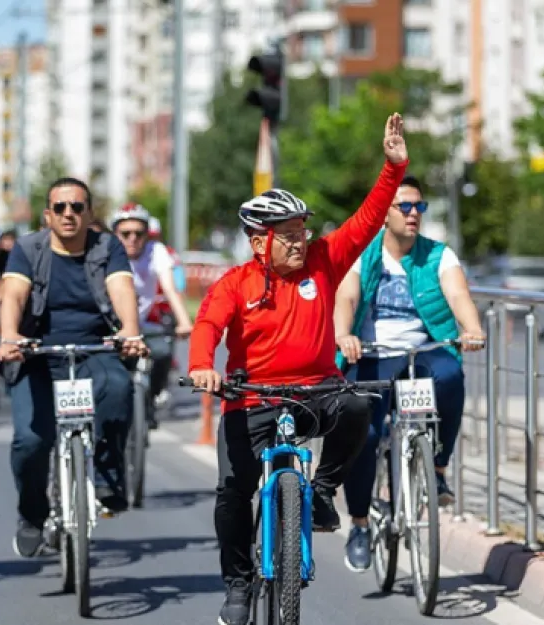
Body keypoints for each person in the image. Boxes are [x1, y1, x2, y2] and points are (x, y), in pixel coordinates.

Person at [188, 113, 409, 625]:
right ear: (257, 241)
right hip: (252, 399)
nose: (298, 242)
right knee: (231, 493)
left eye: (301, 232)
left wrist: (393, 169)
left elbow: (367, 219)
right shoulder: (235, 283)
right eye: (286, 235)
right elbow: (207, 326)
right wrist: (203, 366)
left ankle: (324, 492)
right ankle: (239, 587)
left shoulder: (323, 261)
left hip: (316, 392)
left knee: (357, 403)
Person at [333, 174, 485, 573]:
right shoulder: (363, 253)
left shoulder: (438, 255)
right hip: (371, 354)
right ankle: (361, 524)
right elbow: (346, 295)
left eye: (420, 206)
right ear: (385, 213)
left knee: (451, 376)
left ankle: (436, 468)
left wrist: (471, 328)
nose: (414, 213)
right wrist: (344, 334)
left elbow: (458, 295)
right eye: (405, 206)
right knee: (362, 433)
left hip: (422, 351)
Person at [0, 177, 147, 558]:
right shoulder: (29, 248)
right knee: (30, 442)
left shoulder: (106, 246)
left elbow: (122, 287)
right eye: (60, 207)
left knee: (118, 388)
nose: (68, 214)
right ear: (48, 214)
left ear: (89, 213)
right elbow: (13, 293)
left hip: (94, 347)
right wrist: (11, 336)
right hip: (36, 353)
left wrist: (129, 331)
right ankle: (32, 515)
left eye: (77, 207)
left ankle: (108, 477)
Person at [109, 204, 193, 428]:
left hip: (143, 324)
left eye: (139, 233)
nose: (132, 239)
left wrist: (184, 321)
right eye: (125, 233)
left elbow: (170, 288)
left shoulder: (156, 251)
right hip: (112, 327)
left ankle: (152, 396)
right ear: (115, 234)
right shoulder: (106, 251)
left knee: (164, 352)